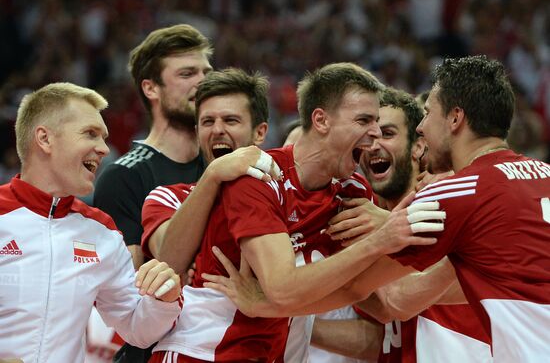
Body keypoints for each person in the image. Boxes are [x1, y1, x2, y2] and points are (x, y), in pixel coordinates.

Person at [208, 56, 550, 362]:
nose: (421, 126)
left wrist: (264, 305)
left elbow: (392, 298)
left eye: (428, 112)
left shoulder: (457, 192)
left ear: (456, 118)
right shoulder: (544, 176)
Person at [152, 62, 444, 362]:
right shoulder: (258, 177)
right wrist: (379, 241)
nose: (374, 134)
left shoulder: (352, 191)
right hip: (203, 351)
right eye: (364, 121)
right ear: (321, 120)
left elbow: (380, 299)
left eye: (378, 123)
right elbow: (282, 288)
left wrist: (454, 252)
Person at [0, 83, 183, 363]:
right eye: (90, 134)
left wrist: (165, 300)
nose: (104, 149)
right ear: (45, 139)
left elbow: (136, 328)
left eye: (104, 137)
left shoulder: (102, 231)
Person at [313, 87, 491, 363]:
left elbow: (395, 302)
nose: (373, 145)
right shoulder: (358, 225)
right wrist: (293, 321)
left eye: (387, 133)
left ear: (418, 146)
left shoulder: (449, 195)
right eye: (367, 136)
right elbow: (382, 337)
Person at [92, 24, 212, 362]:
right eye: (187, 73)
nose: (202, 81)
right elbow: (128, 292)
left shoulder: (223, 164)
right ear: (151, 88)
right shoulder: (124, 176)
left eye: (207, 71)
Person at [141, 68, 277, 275]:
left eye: (231, 120)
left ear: (259, 133)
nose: (217, 130)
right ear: (197, 133)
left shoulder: (284, 194)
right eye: (208, 122)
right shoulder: (168, 198)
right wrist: (213, 174)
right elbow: (169, 264)